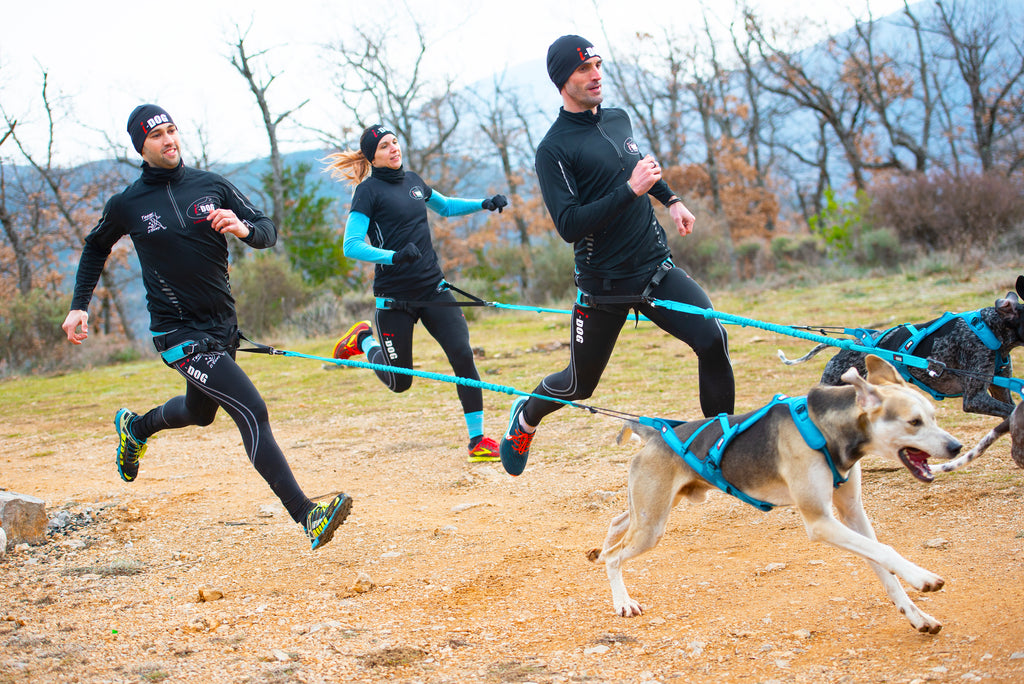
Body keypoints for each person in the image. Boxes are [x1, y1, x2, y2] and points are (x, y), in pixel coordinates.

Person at [61, 104, 351, 551]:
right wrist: (80, 306)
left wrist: (242, 229)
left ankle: (136, 429)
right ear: (141, 145)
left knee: (201, 413)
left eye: (172, 130)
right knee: (251, 409)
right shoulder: (127, 204)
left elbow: (267, 229)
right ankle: (307, 514)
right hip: (178, 333)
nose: (168, 139)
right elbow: (94, 247)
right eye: (156, 135)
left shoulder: (211, 185)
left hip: (222, 326)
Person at [498, 36, 736, 476]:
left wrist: (671, 200)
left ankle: (719, 450)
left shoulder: (618, 118)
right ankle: (525, 419)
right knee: (579, 384)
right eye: (584, 69)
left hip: (653, 270)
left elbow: (637, 165)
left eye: (598, 65)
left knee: (713, 339)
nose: (596, 75)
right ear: (562, 80)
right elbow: (569, 224)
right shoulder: (553, 149)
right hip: (603, 286)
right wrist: (631, 191)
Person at [324, 124, 508, 463]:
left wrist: (484, 202)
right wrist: (393, 257)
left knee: (462, 355)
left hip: (433, 289)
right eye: (384, 146)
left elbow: (447, 207)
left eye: (395, 142)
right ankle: (364, 339)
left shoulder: (413, 182)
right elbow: (351, 246)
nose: (394, 149)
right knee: (400, 382)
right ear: (372, 156)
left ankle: (478, 440)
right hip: (395, 301)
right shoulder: (367, 192)